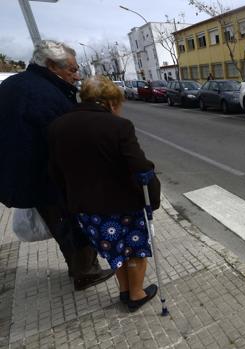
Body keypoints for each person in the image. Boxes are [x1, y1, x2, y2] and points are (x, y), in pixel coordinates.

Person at [0, 40, 114, 290]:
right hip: (47, 175)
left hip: (24, 173)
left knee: (62, 224)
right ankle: (85, 272)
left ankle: (80, 268)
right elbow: (66, 141)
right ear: (51, 65)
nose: (76, 75)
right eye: (72, 70)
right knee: (72, 225)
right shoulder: (44, 94)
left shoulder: (12, 85)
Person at [48, 76, 161, 311]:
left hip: (87, 210)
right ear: (110, 103)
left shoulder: (57, 126)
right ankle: (137, 294)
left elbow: (56, 171)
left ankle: (123, 292)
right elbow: (140, 168)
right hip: (123, 205)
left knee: (115, 251)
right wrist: (154, 198)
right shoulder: (119, 126)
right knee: (134, 250)